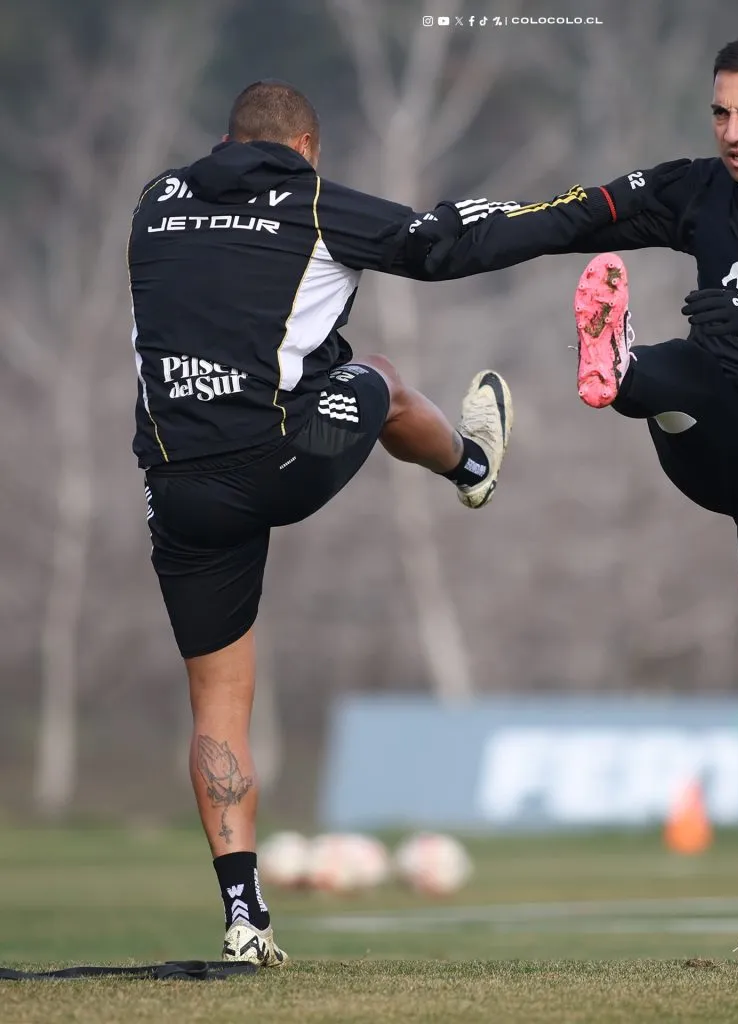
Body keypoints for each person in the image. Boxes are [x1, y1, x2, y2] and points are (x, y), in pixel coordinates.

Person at [407, 33, 738, 967]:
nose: (733, 132)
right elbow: (572, 216)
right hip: (710, 433)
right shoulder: (697, 188)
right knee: (683, 368)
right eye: (720, 112)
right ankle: (619, 367)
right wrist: (441, 244)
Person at [127, 80, 518, 966]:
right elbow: (435, 246)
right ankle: (474, 465)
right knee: (377, 373)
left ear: (227, 140)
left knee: (219, 706)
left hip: (178, 479)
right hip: (275, 462)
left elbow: (213, 305)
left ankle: (244, 919)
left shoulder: (155, 200)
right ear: (305, 146)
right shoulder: (311, 198)